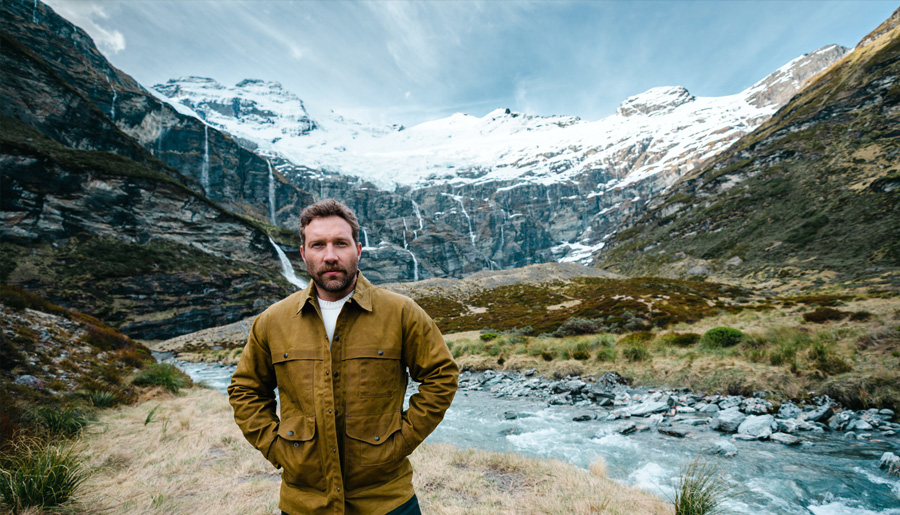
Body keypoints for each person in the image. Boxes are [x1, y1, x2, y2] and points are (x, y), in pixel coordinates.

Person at [228, 199, 458, 515]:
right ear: (303, 254)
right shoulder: (272, 322)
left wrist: (401, 441)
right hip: (303, 504)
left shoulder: (402, 313)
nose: (330, 256)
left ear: (358, 250)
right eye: (318, 245)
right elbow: (245, 390)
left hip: (387, 501)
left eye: (340, 243)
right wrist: (277, 447)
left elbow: (442, 376)